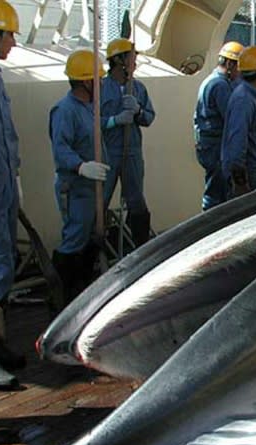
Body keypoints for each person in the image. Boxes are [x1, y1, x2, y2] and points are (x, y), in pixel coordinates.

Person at [49, 49, 111, 305]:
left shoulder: (88, 107)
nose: (102, 84)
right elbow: (60, 149)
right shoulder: (65, 110)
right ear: (87, 82)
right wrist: (80, 166)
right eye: (99, 79)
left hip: (90, 188)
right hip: (75, 186)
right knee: (74, 240)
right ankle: (61, 301)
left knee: (88, 238)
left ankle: (81, 297)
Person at [0, 0, 24, 388]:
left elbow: (3, 135)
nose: (13, 41)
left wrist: (14, 177)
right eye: (9, 34)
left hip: (0, 187)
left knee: (1, 268)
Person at [101, 38, 155, 247]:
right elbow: (90, 122)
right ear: (118, 60)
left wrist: (139, 111)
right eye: (132, 59)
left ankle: (141, 248)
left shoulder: (138, 88)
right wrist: (114, 121)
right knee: (100, 202)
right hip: (107, 153)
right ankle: (97, 250)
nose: (135, 63)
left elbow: (149, 117)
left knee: (136, 202)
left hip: (132, 152)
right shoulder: (100, 88)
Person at [194, 41, 243, 210]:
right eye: (239, 67)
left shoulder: (215, 81)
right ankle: (210, 229)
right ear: (229, 64)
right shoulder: (220, 85)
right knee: (216, 194)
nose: (240, 73)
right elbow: (231, 116)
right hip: (215, 146)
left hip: (209, 144)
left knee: (217, 190)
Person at [222, 46, 256, 196]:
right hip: (248, 177)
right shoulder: (244, 100)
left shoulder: (250, 96)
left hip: (252, 174)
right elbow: (236, 144)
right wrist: (240, 183)